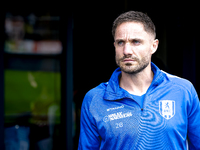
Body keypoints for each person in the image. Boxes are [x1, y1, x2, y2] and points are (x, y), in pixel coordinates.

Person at [78, 11, 200, 150]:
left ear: (153, 46)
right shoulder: (94, 99)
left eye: (136, 42)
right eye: (120, 42)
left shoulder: (183, 90)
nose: (127, 50)